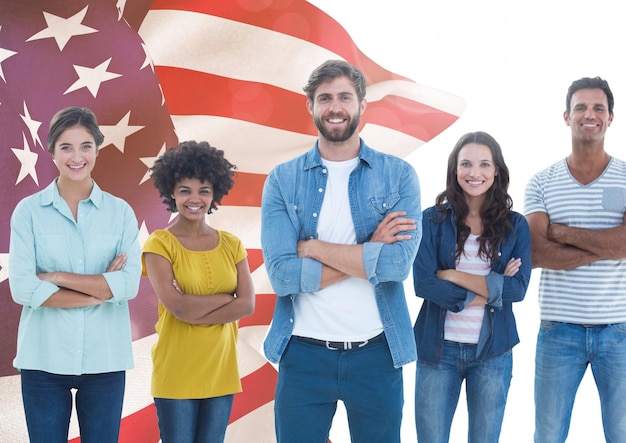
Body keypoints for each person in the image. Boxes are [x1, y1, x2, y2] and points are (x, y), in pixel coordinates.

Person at [260, 59, 421, 443]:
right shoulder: (283, 180)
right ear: (311, 106)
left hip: (377, 354)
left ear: (362, 105)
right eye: (325, 98)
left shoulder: (398, 175)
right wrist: (369, 253)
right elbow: (282, 276)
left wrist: (313, 249)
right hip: (302, 355)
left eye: (345, 97)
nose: (335, 107)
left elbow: (397, 266)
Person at [8, 106, 142, 443]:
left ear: (97, 149)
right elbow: (23, 289)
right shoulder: (28, 212)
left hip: (105, 362)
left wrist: (54, 277)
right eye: (66, 147)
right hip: (43, 361)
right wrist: (101, 290)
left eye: (85, 146)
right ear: (51, 151)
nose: (76, 156)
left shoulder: (120, 212)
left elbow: (128, 285)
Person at [525, 77, 626, 443]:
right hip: (558, 330)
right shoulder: (541, 182)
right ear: (566, 116)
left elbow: (625, 246)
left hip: (619, 330)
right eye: (581, 107)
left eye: (599, 108)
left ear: (611, 118)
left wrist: (563, 232)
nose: (590, 114)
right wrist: (609, 244)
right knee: (548, 435)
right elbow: (536, 253)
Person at [412, 131, 531, 442]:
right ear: (455, 169)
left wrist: (451, 275)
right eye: (466, 164)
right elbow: (423, 284)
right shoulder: (431, 220)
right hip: (437, 352)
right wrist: (493, 290)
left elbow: (517, 289)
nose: (474, 173)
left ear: (496, 171)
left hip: (493, 353)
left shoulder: (516, 225)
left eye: (483, 164)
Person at [142, 140, 255, 443]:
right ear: (171, 193)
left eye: (203, 190)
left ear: (215, 192)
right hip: (176, 371)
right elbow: (178, 308)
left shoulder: (232, 244)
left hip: (221, 371)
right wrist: (224, 299)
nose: (195, 199)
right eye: (185, 190)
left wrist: (195, 307)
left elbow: (247, 305)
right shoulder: (159, 244)